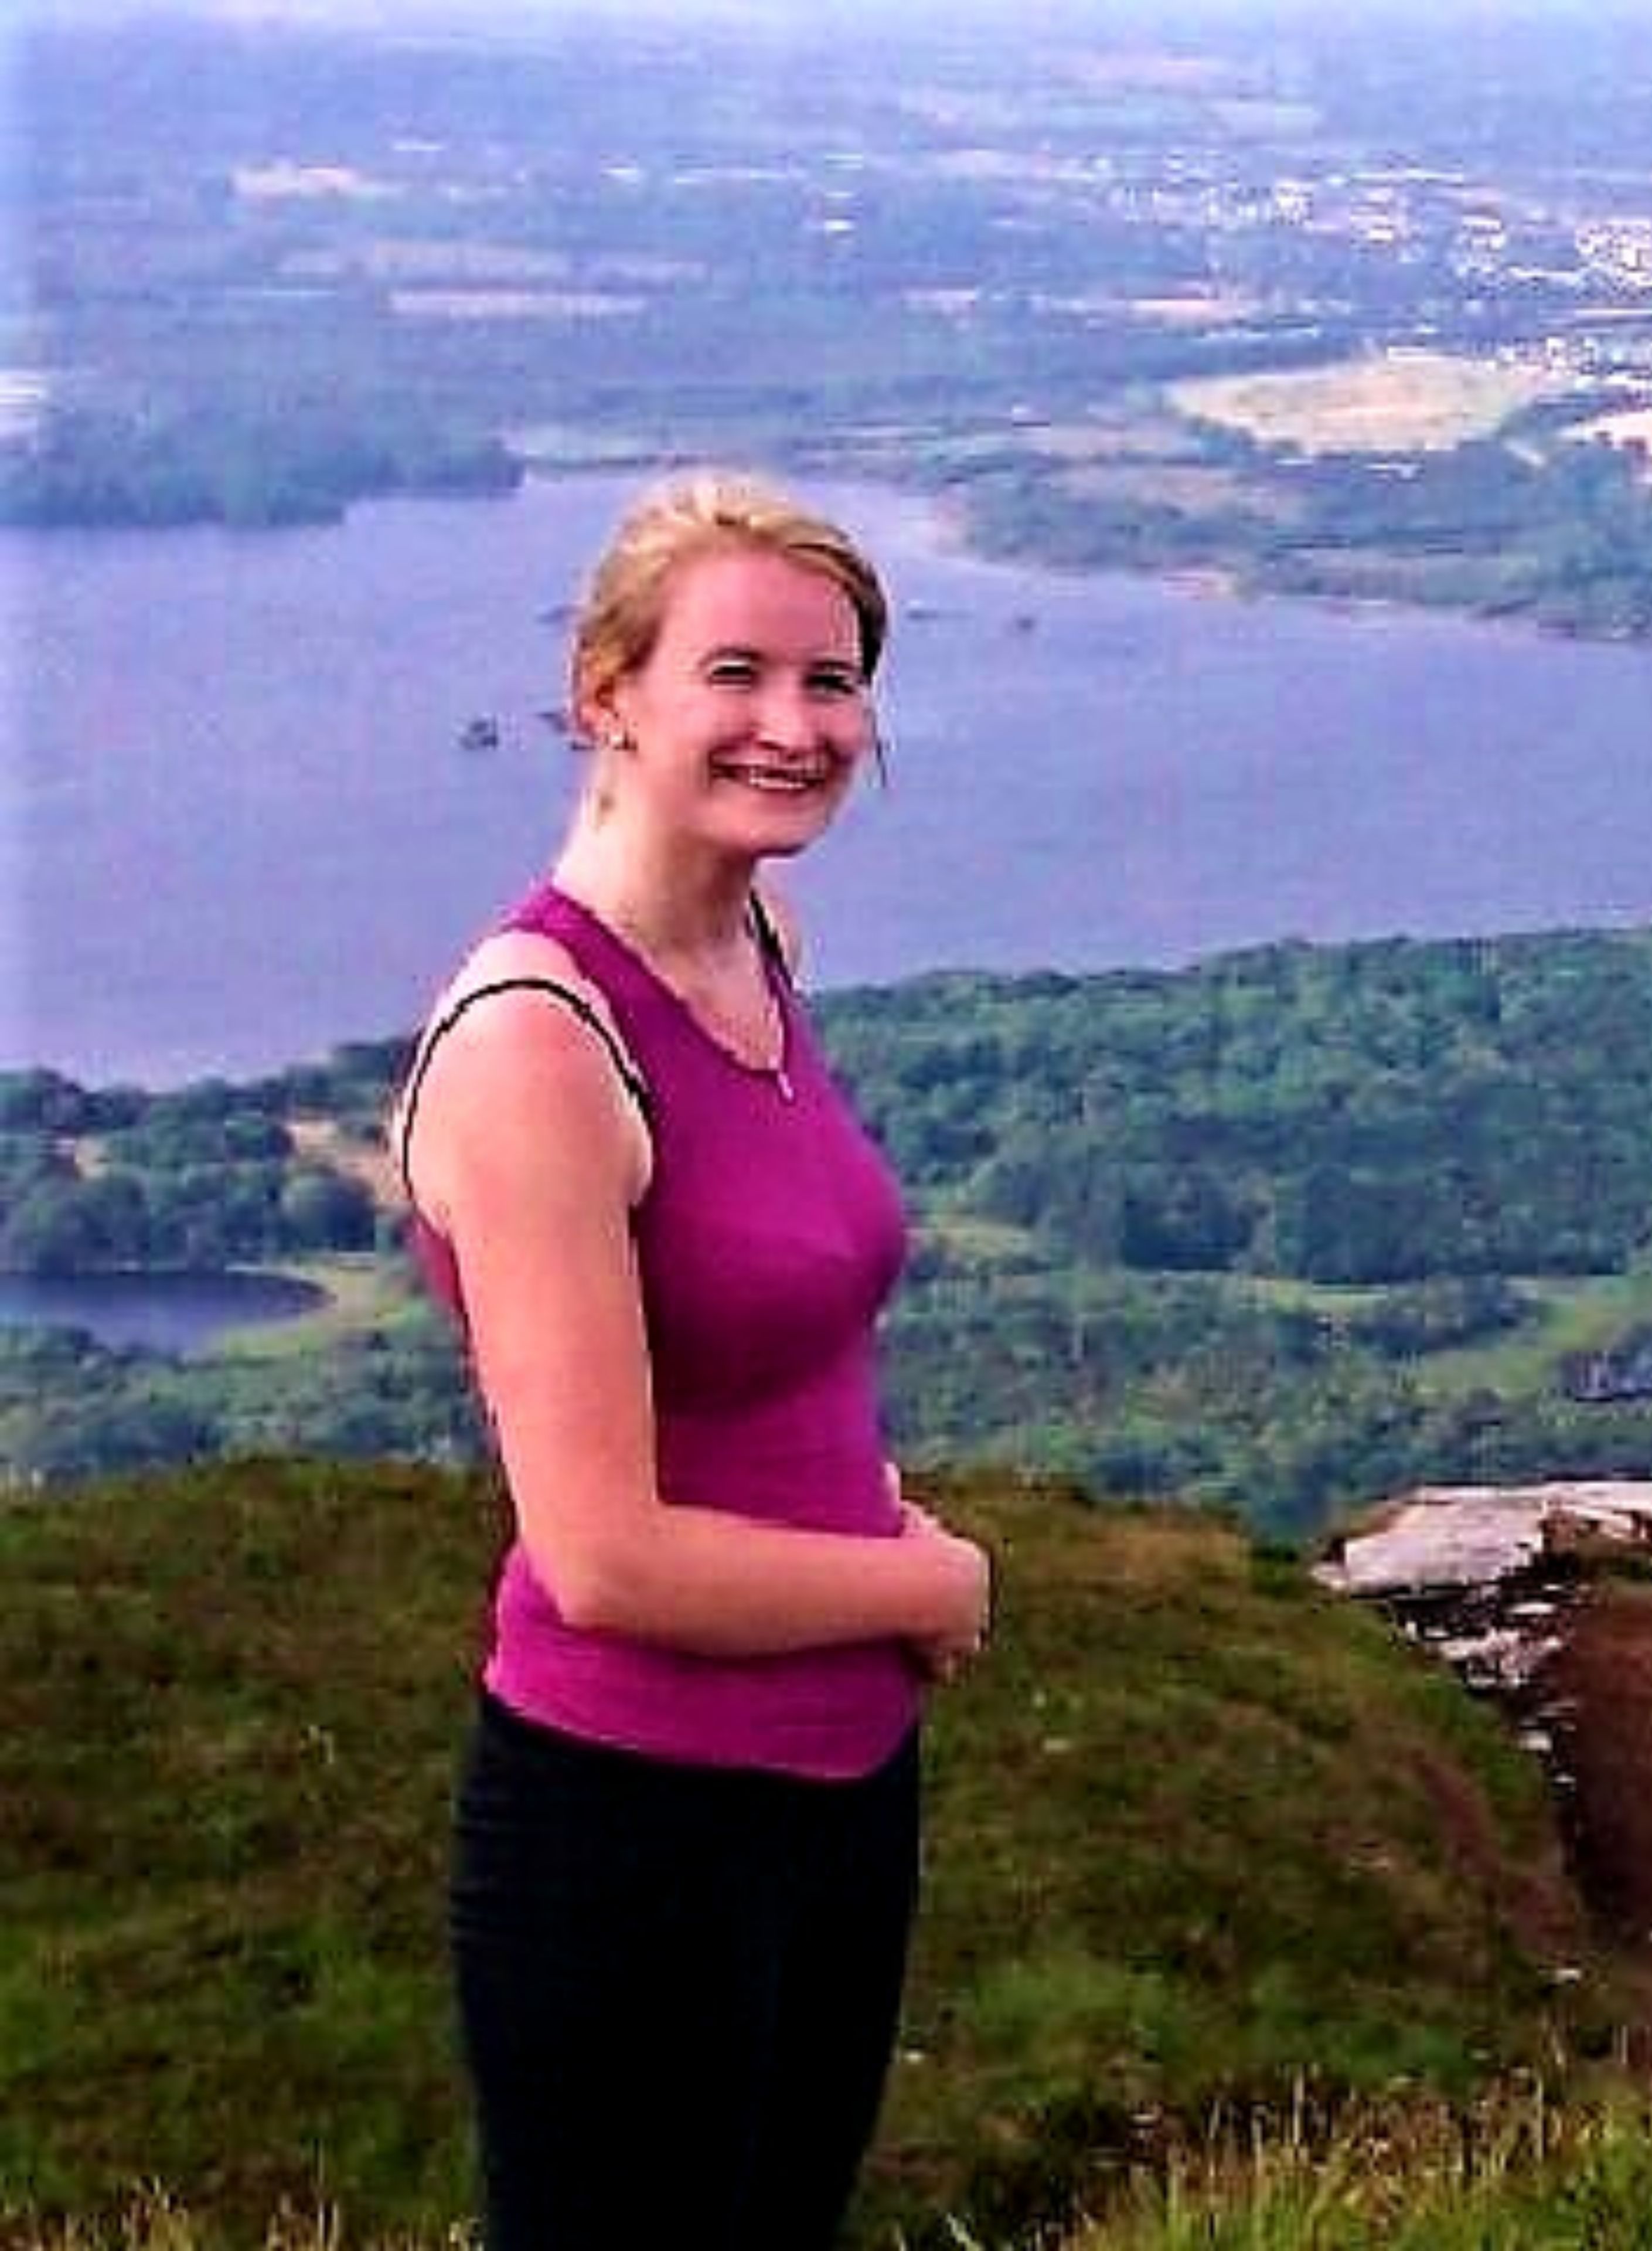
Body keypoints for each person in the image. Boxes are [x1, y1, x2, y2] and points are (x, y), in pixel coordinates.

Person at [394, 470, 991, 2250]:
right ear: (609, 693)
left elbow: (772, 1353)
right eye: (736, 675)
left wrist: (875, 1544)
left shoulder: (755, 944)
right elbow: (604, 1553)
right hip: (636, 1824)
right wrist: (924, 1572)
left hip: (840, 1789)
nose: (795, 727)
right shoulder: (539, 1044)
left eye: (832, 682)